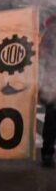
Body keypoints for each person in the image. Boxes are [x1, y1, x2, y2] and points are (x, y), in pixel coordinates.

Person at [39, 15, 56, 168]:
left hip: (51, 81)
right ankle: (47, 153)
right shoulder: (51, 30)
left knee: (51, 118)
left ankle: (47, 153)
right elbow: (41, 52)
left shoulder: (49, 29)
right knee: (51, 118)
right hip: (52, 82)